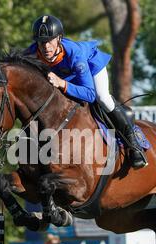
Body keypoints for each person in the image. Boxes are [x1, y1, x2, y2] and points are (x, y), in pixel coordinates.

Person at [25, 15, 148, 169]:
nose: (46, 46)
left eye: (50, 40)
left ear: (59, 38)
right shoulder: (30, 55)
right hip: (66, 75)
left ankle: (133, 143)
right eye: (41, 42)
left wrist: (62, 83)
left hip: (91, 66)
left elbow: (89, 94)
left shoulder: (75, 54)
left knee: (102, 97)